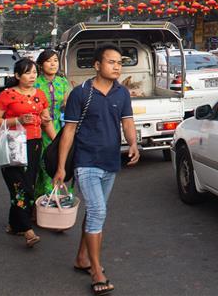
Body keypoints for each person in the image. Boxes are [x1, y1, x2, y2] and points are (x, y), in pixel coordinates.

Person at [53, 45, 139, 295]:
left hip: (111, 161)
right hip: (86, 161)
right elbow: (68, 131)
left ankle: (82, 257)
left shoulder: (122, 93)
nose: (116, 66)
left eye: (119, 63)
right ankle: (97, 270)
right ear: (97, 65)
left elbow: (128, 121)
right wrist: (60, 167)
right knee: (98, 211)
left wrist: (133, 143)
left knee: (94, 213)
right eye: (111, 62)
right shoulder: (81, 93)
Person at [0, 58, 56, 247]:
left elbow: (46, 121)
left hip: (34, 145)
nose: (32, 76)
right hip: (13, 146)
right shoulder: (7, 95)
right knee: (20, 188)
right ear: (18, 76)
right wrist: (16, 120)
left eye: (34, 72)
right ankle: (28, 231)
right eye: (28, 73)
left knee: (28, 186)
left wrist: (57, 142)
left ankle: (13, 224)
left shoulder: (40, 95)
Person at [34, 48, 71, 198]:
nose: (53, 64)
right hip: (39, 128)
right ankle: (43, 202)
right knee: (43, 166)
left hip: (59, 126)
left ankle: (47, 202)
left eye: (55, 61)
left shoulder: (63, 82)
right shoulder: (35, 83)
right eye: (48, 61)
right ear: (41, 65)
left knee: (57, 163)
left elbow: (67, 104)